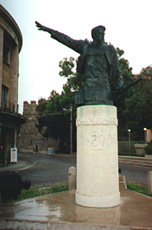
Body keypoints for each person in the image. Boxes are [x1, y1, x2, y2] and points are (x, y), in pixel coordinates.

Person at [35, 21, 123, 105]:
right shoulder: (85, 47)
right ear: (94, 35)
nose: (103, 36)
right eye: (100, 33)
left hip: (104, 86)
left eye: (103, 34)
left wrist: (119, 86)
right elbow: (67, 40)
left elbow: (117, 70)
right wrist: (48, 30)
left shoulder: (109, 49)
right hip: (90, 85)